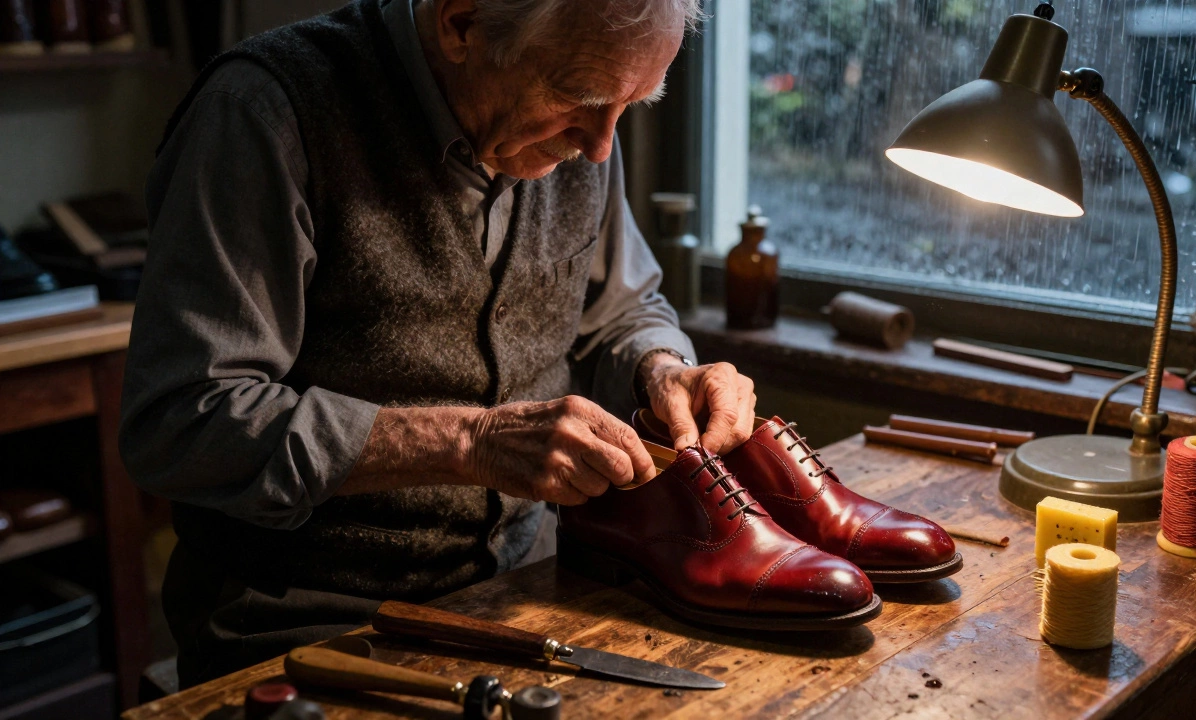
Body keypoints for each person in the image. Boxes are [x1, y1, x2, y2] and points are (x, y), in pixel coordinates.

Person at [119, 0, 757, 685]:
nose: (601, 146)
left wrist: (662, 368)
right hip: (308, 626)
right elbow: (183, 421)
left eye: (633, 103)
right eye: (581, 96)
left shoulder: (584, 119)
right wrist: (467, 443)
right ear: (460, 25)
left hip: (529, 588)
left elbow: (620, 310)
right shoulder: (262, 112)